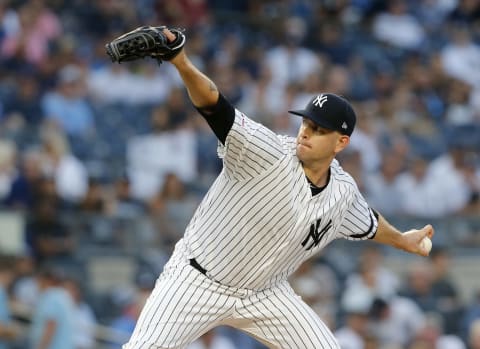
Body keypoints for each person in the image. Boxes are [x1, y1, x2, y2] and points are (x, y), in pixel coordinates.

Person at [109, 27, 435, 349]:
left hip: (266, 294)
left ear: (341, 142)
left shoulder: (343, 193)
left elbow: (370, 223)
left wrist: (403, 240)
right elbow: (214, 105)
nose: (306, 132)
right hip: (197, 280)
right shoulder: (267, 152)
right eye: (306, 122)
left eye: (318, 129)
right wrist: (181, 60)